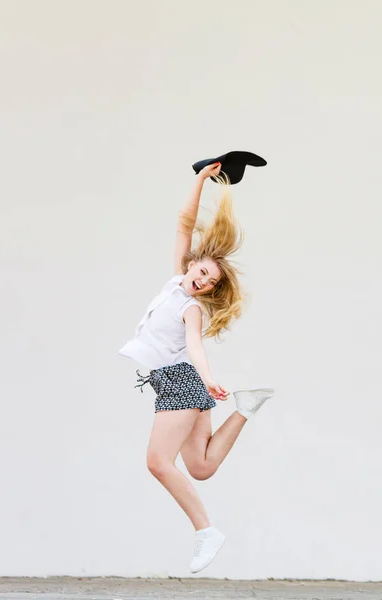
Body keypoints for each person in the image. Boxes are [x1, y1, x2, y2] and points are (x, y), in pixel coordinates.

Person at [119, 162, 274, 573]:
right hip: (180, 383)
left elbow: (195, 348)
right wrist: (201, 179)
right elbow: (185, 225)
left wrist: (207, 381)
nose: (202, 282)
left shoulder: (190, 309)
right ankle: (245, 408)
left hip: (183, 384)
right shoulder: (175, 282)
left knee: (158, 462)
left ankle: (206, 531)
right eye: (201, 271)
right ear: (191, 265)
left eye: (208, 283)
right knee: (201, 467)